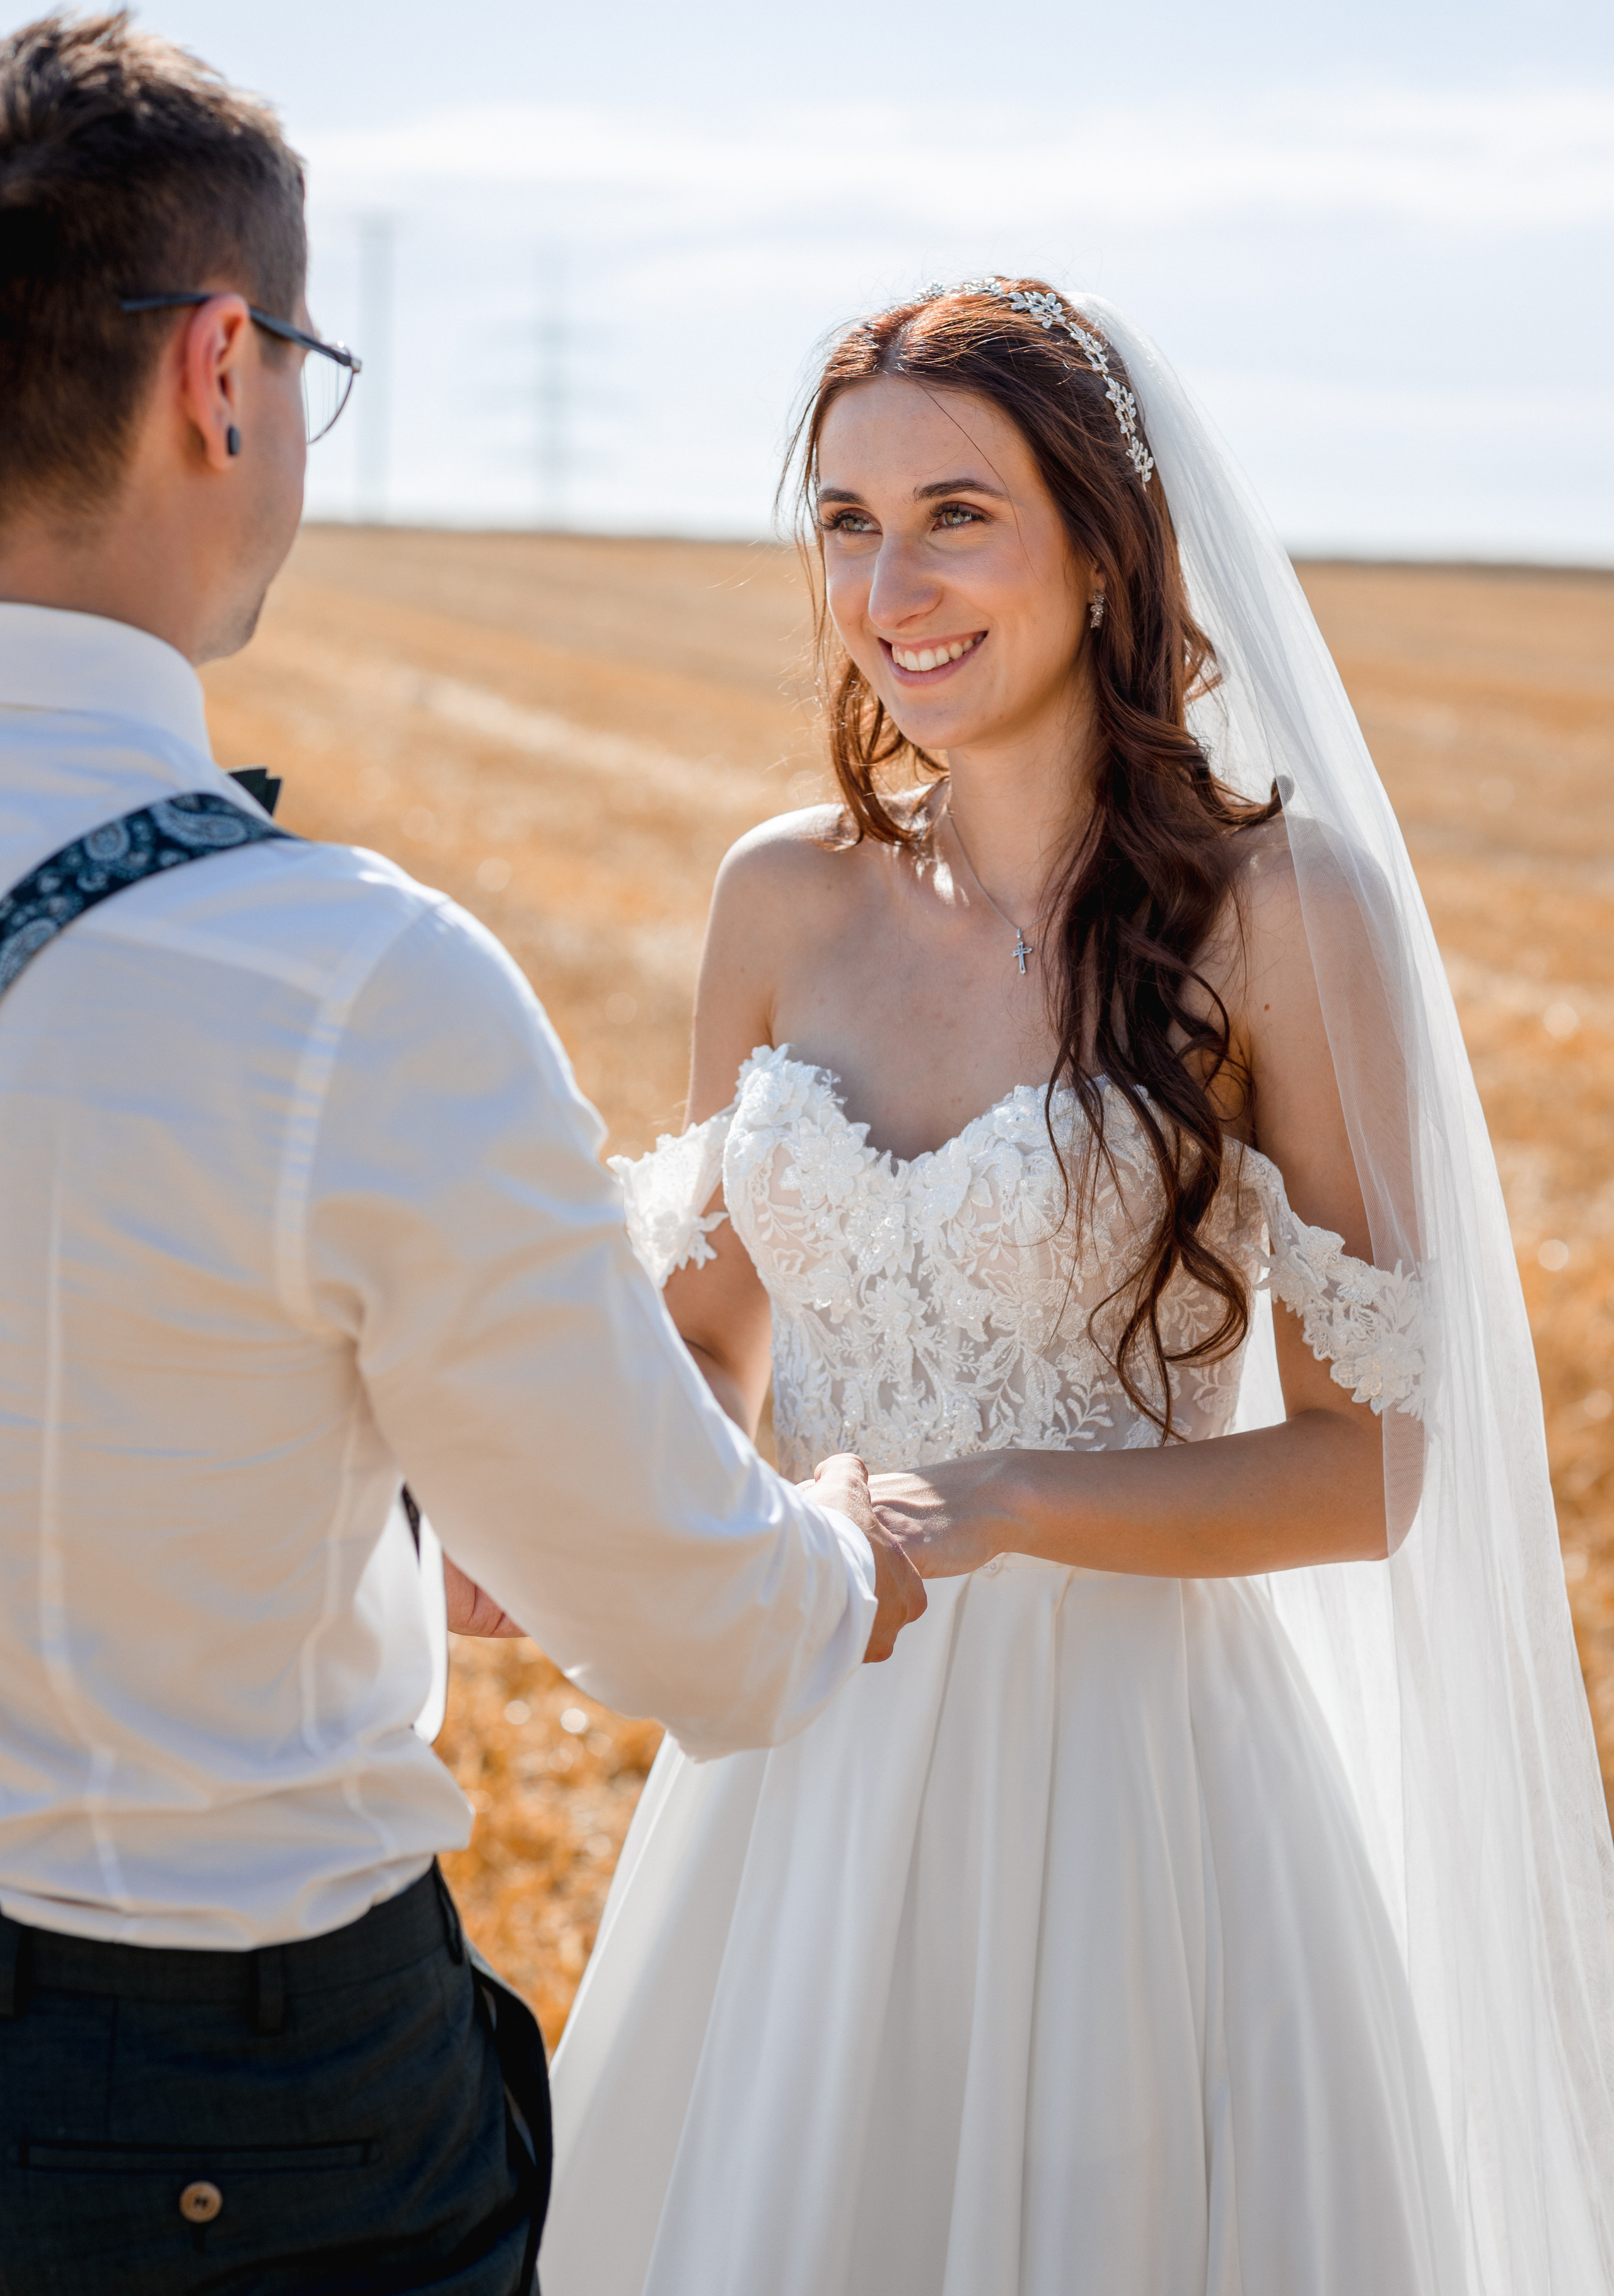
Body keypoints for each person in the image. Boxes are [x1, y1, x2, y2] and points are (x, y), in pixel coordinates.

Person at [543, 280, 1614, 2293]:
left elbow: (1365, 1472)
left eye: (958, 513)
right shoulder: (776, 896)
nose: (891, 582)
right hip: (807, 1758)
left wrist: (1015, 1501)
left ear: (1106, 546)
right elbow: (709, 1346)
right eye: (848, 522)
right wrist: (580, 1506)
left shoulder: (1280, 914)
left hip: (1143, 1805)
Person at [0, 11, 924, 2296]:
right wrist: (863, 1534)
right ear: (224, 370)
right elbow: (712, 1634)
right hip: (223, 2124)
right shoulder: (338, 986)